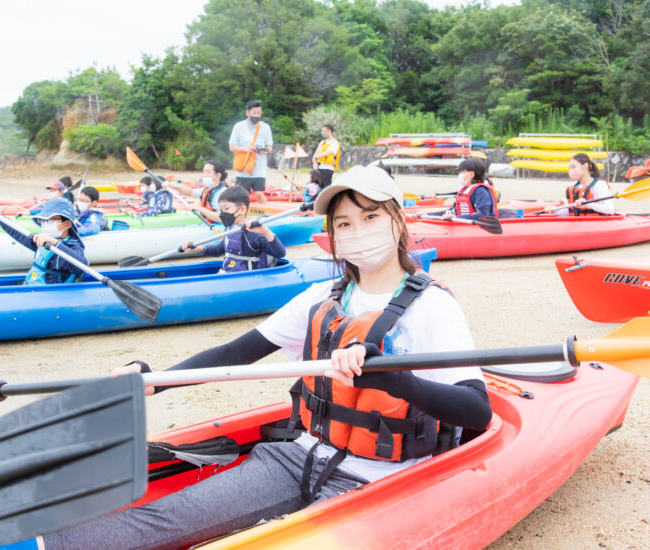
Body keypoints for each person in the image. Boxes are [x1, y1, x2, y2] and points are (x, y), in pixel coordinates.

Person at [40, 164, 493, 550]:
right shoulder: (320, 298)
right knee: (164, 518)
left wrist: (393, 380)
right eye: (344, 224)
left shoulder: (432, 306)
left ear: (397, 221)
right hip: (297, 456)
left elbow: (476, 409)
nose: (357, 232)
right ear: (332, 235)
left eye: (370, 217)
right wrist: (152, 378)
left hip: (379, 482)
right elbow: (237, 352)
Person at [0, 197, 86, 285]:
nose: (45, 223)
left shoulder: (71, 248)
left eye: (51, 219)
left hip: (48, 298)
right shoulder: (42, 241)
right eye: (43, 220)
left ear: (67, 224)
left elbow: (82, 264)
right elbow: (16, 231)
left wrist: (55, 243)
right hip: (32, 290)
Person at [181, 185, 285, 272]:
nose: (222, 213)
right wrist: (199, 248)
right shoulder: (230, 228)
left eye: (226, 208)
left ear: (242, 210)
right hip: (227, 273)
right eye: (221, 209)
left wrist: (265, 231)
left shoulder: (255, 233)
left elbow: (280, 253)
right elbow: (220, 249)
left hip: (245, 279)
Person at [229, 100, 273, 204]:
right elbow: (232, 147)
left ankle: (266, 215)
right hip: (243, 169)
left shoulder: (265, 127)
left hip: (259, 169)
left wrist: (260, 149)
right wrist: (245, 148)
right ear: (247, 113)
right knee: (242, 195)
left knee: (259, 193)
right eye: (254, 113)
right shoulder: (238, 126)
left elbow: (270, 148)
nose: (257, 115)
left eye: (259, 113)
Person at [545, 153, 614, 216]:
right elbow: (568, 211)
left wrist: (588, 204)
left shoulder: (599, 185)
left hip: (596, 225)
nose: (571, 170)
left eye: (573, 167)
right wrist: (554, 210)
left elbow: (610, 209)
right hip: (577, 225)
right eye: (570, 168)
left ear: (585, 166)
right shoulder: (573, 186)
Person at [312, 124, 341, 188]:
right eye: (322, 131)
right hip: (319, 167)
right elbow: (316, 154)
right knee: (316, 187)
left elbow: (327, 153)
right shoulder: (322, 142)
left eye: (324, 131)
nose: (323, 133)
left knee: (326, 187)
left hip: (327, 168)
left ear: (329, 131)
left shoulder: (335, 143)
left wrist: (316, 157)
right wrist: (315, 162)